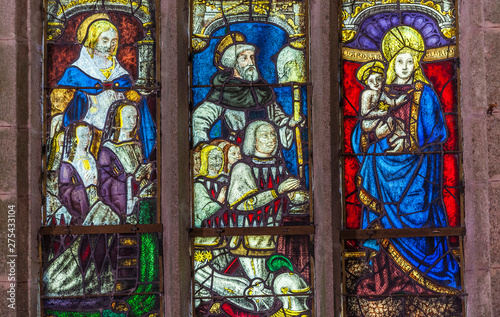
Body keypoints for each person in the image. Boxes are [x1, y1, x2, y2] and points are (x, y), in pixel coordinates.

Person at [352, 26, 460, 294]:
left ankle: (426, 283)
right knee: (385, 221)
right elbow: (359, 133)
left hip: (418, 171)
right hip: (381, 170)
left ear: (417, 63)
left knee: (419, 218)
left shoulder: (425, 93)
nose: (404, 66)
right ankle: (386, 281)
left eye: (410, 61)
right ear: (391, 62)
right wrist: (375, 136)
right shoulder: (378, 92)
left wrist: (411, 144)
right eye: (399, 60)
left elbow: (438, 133)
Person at [56, 13, 156, 159]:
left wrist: (138, 98)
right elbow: (60, 100)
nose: (110, 45)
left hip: (118, 132)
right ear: (92, 40)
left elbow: (131, 94)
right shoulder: (76, 72)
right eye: (105, 40)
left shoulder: (119, 71)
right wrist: (58, 114)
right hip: (89, 131)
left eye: (114, 41)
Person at [44, 123, 119, 296]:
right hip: (80, 213)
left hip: (96, 205)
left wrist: (95, 189)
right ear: (74, 139)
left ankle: (100, 283)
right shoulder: (67, 164)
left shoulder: (92, 158)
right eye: (82, 136)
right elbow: (65, 191)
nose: (87, 139)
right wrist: (83, 191)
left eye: (89, 135)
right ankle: (81, 284)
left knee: (111, 223)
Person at [192, 32, 302, 147]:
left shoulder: (262, 90)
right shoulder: (224, 90)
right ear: (234, 63)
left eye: (252, 57)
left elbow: (279, 120)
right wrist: (202, 145)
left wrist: (290, 124)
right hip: (236, 152)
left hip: (267, 151)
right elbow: (200, 117)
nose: (251, 63)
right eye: (244, 58)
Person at [98, 102, 155, 223]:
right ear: (117, 120)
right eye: (128, 117)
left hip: (143, 200)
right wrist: (134, 179)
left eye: (135, 117)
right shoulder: (107, 150)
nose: (132, 122)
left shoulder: (137, 145)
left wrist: (148, 173)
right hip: (124, 209)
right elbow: (107, 185)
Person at [357, 60, 408, 153]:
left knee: (400, 124)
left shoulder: (381, 92)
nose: (375, 83)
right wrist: (377, 113)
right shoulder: (367, 93)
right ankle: (371, 139)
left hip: (380, 119)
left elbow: (390, 103)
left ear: (382, 79)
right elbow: (364, 113)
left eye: (378, 79)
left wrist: (399, 101)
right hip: (368, 122)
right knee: (390, 122)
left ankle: (400, 143)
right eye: (371, 81)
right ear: (367, 82)